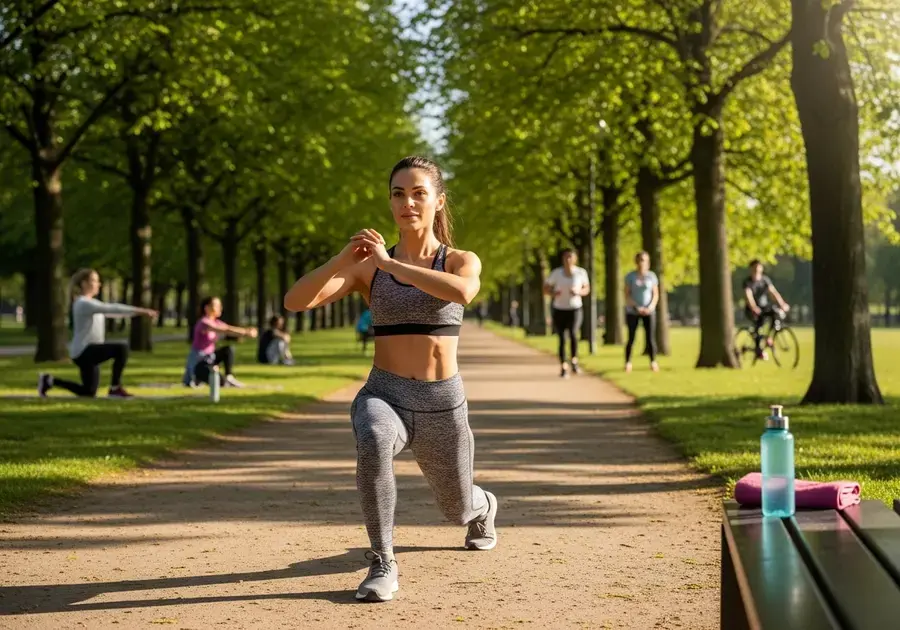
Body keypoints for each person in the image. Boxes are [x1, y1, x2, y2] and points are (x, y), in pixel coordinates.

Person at [284, 155, 497, 603]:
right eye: (399, 194)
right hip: (385, 393)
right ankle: (383, 560)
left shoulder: (460, 260)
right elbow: (296, 301)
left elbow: (463, 292)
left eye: (419, 193)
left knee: (457, 509)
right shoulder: (369, 267)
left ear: (439, 201)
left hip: (442, 401)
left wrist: (391, 264)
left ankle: (484, 506)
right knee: (374, 438)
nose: (408, 203)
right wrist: (342, 259)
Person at [38, 268, 157, 398]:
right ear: (84, 284)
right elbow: (113, 308)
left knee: (88, 392)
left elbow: (115, 312)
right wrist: (142, 311)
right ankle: (115, 387)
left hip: (86, 352)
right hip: (84, 351)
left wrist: (138, 314)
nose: (99, 284)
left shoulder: (91, 303)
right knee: (121, 348)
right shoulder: (83, 303)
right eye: (95, 281)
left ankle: (49, 380)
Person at [183, 297, 257, 388]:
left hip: (210, 358)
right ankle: (198, 379)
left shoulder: (216, 322)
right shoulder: (203, 322)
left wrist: (246, 332)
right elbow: (226, 330)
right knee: (221, 382)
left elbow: (228, 328)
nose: (220, 308)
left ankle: (229, 376)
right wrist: (246, 332)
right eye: (216, 305)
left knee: (228, 350)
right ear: (207, 308)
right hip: (199, 363)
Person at [544, 249, 590, 378]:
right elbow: (546, 288)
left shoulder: (581, 272)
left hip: (575, 308)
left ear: (575, 259)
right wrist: (553, 293)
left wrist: (579, 292)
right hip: (559, 309)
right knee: (562, 338)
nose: (568, 260)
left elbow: (587, 288)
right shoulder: (556, 273)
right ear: (562, 259)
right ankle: (564, 365)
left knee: (573, 333)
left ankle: (574, 360)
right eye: (566, 257)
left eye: (570, 257)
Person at [743, 260, 790, 359]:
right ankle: (758, 351)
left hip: (763, 307)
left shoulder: (765, 280)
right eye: (755, 267)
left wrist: (782, 304)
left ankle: (769, 338)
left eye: (759, 267)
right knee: (758, 327)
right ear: (751, 269)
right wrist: (754, 307)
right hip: (751, 309)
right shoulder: (748, 282)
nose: (757, 269)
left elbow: (773, 293)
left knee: (775, 313)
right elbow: (748, 296)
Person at [624, 251, 660, 373]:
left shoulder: (651, 276)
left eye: (643, 260)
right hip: (633, 311)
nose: (641, 263)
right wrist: (636, 307)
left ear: (647, 262)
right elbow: (627, 294)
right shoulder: (630, 276)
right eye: (639, 260)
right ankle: (628, 362)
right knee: (631, 337)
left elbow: (655, 294)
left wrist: (650, 307)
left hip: (649, 311)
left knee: (650, 338)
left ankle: (653, 362)